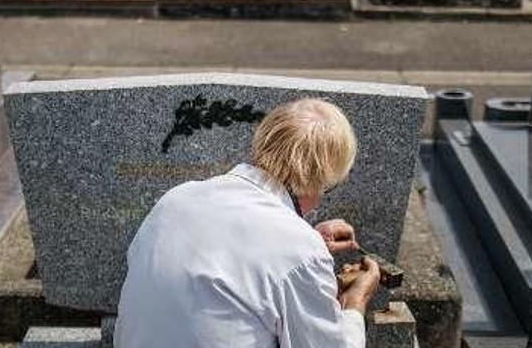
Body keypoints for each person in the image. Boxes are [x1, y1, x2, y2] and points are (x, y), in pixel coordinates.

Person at [115, 99, 381, 348]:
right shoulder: (300, 251)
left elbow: (231, 251)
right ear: (317, 182)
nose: (321, 199)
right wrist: (354, 305)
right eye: (327, 188)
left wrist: (307, 241)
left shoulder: (176, 198)